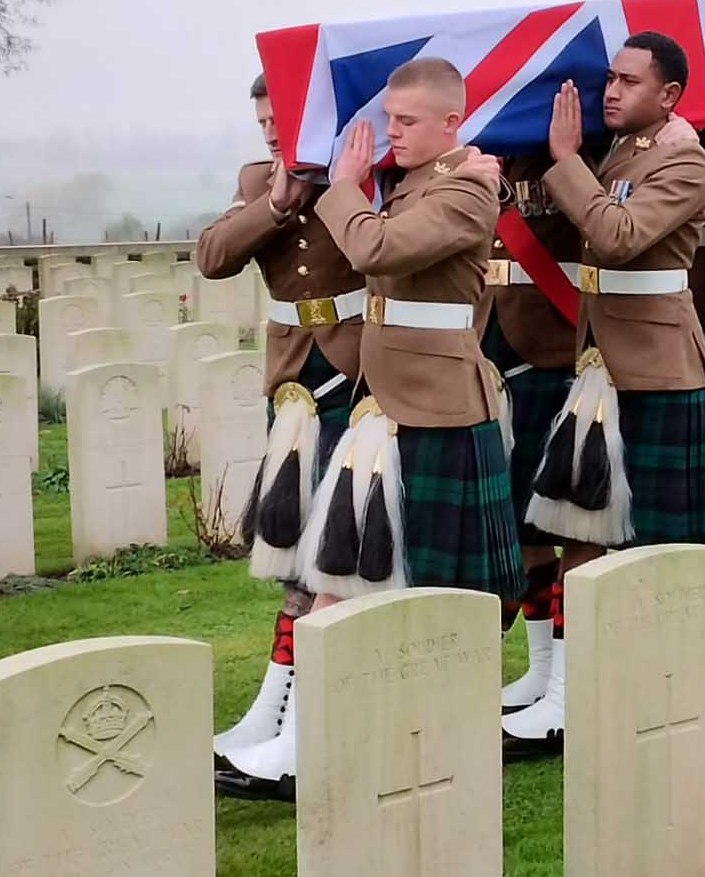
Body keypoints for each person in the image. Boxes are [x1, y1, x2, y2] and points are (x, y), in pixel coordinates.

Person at [216, 57, 522, 800]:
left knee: (443, 592)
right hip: (385, 406)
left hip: (440, 406)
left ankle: (342, 735)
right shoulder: (416, 180)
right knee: (342, 575)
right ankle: (302, 738)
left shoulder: (467, 186)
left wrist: (347, 182)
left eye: (407, 122)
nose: (392, 135)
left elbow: (375, 250)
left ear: (453, 121)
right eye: (388, 120)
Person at [501, 32, 705, 744]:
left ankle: (682, 681)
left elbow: (616, 235)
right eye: (608, 78)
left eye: (628, 81)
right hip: (602, 367)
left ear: (669, 95)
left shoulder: (684, 158)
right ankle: (562, 688)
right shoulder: (618, 151)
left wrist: (564, 161)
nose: (611, 91)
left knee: (671, 550)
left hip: (661, 370)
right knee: (579, 529)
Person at [195, 72, 364, 787]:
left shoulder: (363, 170)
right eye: (261, 117)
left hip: (358, 370)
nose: (270, 130)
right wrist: (275, 202)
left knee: (336, 554)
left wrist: (337, 187)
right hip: (293, 376)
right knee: (293, 548)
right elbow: (213, 256)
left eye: (282, 117)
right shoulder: (259, 177)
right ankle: (273, 710)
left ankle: (300, 715)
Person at [478, 153, 582, 714]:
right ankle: (540, 667)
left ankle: (566, 675)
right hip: (486, 338)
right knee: (523, 523)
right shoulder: (483, 147)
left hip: (553, 341)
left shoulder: (581, 145)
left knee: (563, 516)